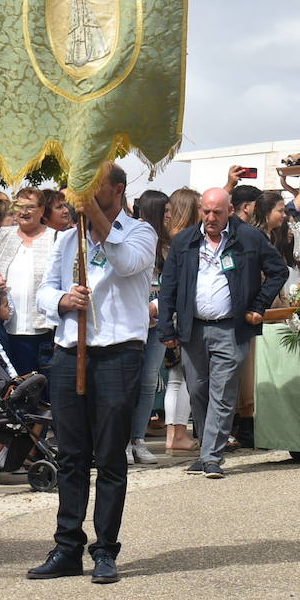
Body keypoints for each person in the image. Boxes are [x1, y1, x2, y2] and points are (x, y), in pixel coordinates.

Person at [27, 164, 155, 585]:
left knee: (111, 457)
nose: (82, 191)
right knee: (71, 455)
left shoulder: (140, 233)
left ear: (117, 190)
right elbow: (45, 289)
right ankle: (67, 546)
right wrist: (64, 299)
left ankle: (105, 550)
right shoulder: (67, 239)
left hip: (118, 354)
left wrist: (95, 217)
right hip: (69, 353)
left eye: (93, 184)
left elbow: (125, 263)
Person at [157, 188, 287, 479]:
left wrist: (259, 305)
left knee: (223, 391)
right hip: (194, 329)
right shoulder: (185, 241)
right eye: (206, 211)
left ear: (231, 210)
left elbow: (279, 270)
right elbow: (169, 288)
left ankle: (212, 456)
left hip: (231, 328)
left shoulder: (249, 238)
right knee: (198, 390)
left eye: (217, 212)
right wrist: (166, 326)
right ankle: (207, 450)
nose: (211, 217)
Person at [0, 187, 60, 375]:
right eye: (20, 206)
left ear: (42, 210)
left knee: (41, 391)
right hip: (5, 329)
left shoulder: (56, 238)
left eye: (31, 207)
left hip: (44, 332)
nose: (24, 212)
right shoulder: (4, 235)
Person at [127, 189, 168, 464]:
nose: (169, 217)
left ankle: (138, 439)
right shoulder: (132, 236)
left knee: (148, 381)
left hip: (157, 320)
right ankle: (122, 440)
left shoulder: (169, 245)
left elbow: (175, 283)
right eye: (165, 212)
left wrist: (158, 307)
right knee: (127, 381)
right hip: (132, 318)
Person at [161, 187, 201, 453]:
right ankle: (178, 434)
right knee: (181, 378)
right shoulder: (183, 241)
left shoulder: (169, 240)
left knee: (177, 379)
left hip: (171, 313)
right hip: (179, 314)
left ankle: (173, 434)